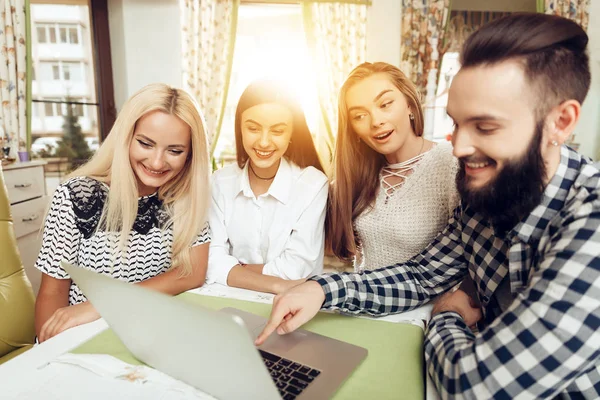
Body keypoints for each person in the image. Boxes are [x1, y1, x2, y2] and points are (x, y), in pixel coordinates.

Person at [257, 13, 600, 399]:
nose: (459, 149)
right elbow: (422, 276)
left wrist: (448, 315)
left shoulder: (593, 220)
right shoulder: (484, 195)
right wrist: (321, 290)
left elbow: (474, 386)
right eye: (457, 124)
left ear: (561, 122)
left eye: (485, 127)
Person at [35, 83, 211, 342]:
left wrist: (107, 303)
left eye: (174, 150)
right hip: (85, 338)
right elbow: (52, 293)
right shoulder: (76, 196)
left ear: (190, 155)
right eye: (145, 143)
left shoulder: (186, 195)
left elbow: (193, 272)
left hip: (149, 334)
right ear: (126, 137)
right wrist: (47, 355)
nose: (157, 162)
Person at [327, 62, 458, 271]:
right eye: (360, 115)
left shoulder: (450, 163)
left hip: (431, 302)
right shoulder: (359, 176)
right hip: (365, 299)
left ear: (409, 104)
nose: (376, 121)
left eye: (385, 104)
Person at [206, 80, 328, 294]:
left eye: (277, 131)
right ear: (240, 128)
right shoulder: (220, 182)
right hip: (229, 301)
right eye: (253, 128)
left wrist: (235, 269)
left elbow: (296, 269)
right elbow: (211, 259)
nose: (263, 142)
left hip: (293, 304)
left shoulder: (313, 185)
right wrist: (274, 283)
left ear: (292, 133)